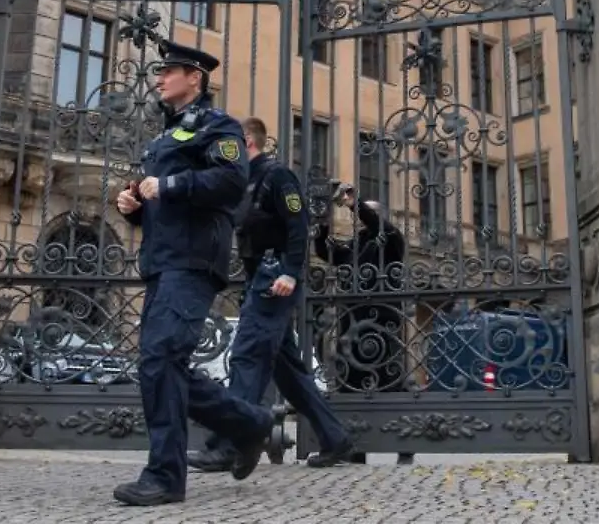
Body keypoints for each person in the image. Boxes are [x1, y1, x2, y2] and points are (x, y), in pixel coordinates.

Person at [112, 41, 275, 508]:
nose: (159, 79)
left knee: (160, 362)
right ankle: (249, 423)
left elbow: (228, 182)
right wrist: (134, 207)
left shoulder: (217, 126)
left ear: (194, 78)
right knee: (161, 366)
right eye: (159, 72)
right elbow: (161, 206)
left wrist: (169, 184)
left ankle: (165, 475)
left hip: (194, 261)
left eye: (169, 72)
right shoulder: (163, 138)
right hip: (163, 261)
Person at [187, 116, 353, 474]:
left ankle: (230, 444)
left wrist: (291, 273)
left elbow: (299, 225)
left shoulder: (277, 176)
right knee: (289, 372)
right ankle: (335, 438)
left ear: (247, 140)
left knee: (247, 356)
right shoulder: (242, 179)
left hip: (274, 279)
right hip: (258, 279)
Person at [313, 185, 412, 464]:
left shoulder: (393, 240)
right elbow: (327, 253)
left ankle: (407, 441)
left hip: (382, 321)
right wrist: (323, 226)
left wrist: (356, 204)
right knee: (351, 383)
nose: (359, 218)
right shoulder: (357, 244)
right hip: (353, 322)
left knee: (390, 381)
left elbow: (380, 226)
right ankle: (354, 446)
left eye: (365, 213)